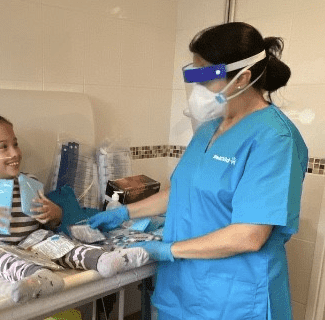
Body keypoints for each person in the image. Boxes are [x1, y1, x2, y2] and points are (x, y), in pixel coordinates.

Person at [88, 22, 308, 320]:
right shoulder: (208, 130)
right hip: (181, 290)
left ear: (242, 78)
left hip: (234, 300)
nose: (197, 89)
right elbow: (182, 191)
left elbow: (249, 235)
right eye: (194, 75)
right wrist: (122, 214)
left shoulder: (273, 139)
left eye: (205, 77)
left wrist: (165, 250)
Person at [0, 114, 148, 303]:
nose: (15, 152)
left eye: (15, 144)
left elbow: (45, 223)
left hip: (28, 240)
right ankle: (37, 276)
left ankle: (103, 259)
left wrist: (54, 215)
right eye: (3, 147)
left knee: (57, 242)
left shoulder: (29, 181)